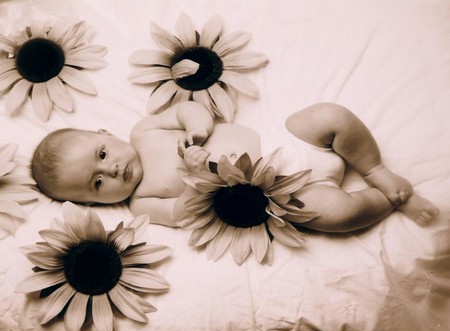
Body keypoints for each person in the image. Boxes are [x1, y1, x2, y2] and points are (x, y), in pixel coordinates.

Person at [31, 101, 439, 232]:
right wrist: (195, 178)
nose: (113, 171)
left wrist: (196, 130)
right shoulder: (141, 204)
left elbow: (192, 108)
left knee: (331, 115)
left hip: (285, 141)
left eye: (102, 155)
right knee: (333, 215)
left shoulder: (143, 130)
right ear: (97, 205)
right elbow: (184, 214)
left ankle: (375, 169)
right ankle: (386, 200)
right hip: (283, 191)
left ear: (106, 133)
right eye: (97, 183)